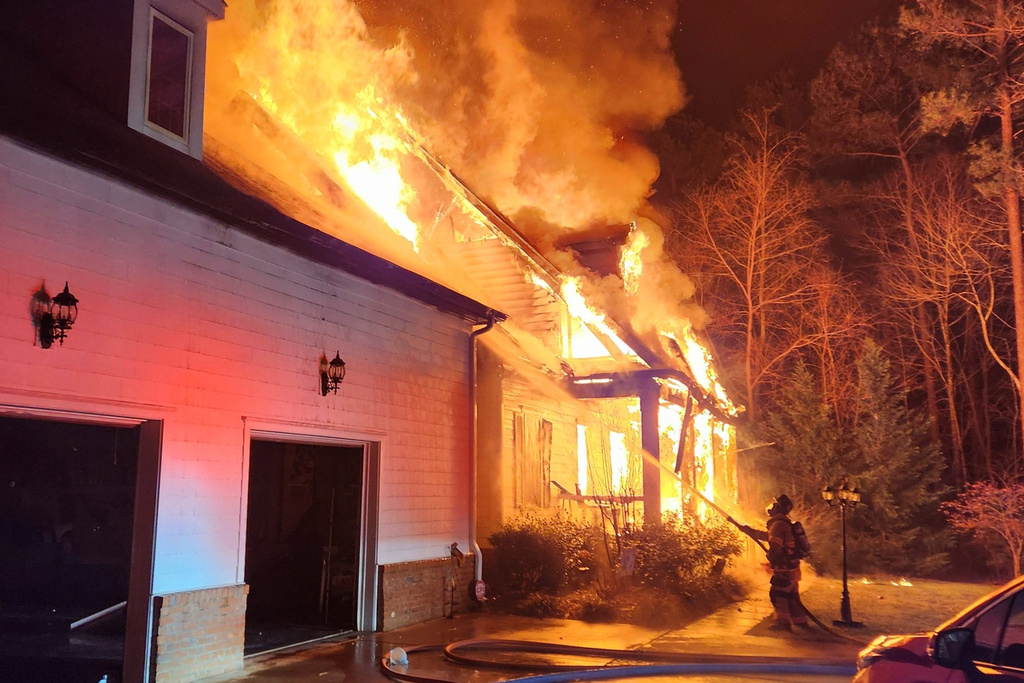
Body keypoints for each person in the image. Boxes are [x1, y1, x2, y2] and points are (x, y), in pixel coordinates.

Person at [739, 494, 810, 632]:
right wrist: (750, 531)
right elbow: (769, 536)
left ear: (778, 508)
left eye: (774, 505)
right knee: (792, 596)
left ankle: (782, 623)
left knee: (778, 594)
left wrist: (772, 557)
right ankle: (800, 621)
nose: (771, 507)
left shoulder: (778, 524)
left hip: (785, 569)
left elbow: (776, 546)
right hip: (792, 567)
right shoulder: (783, 523)